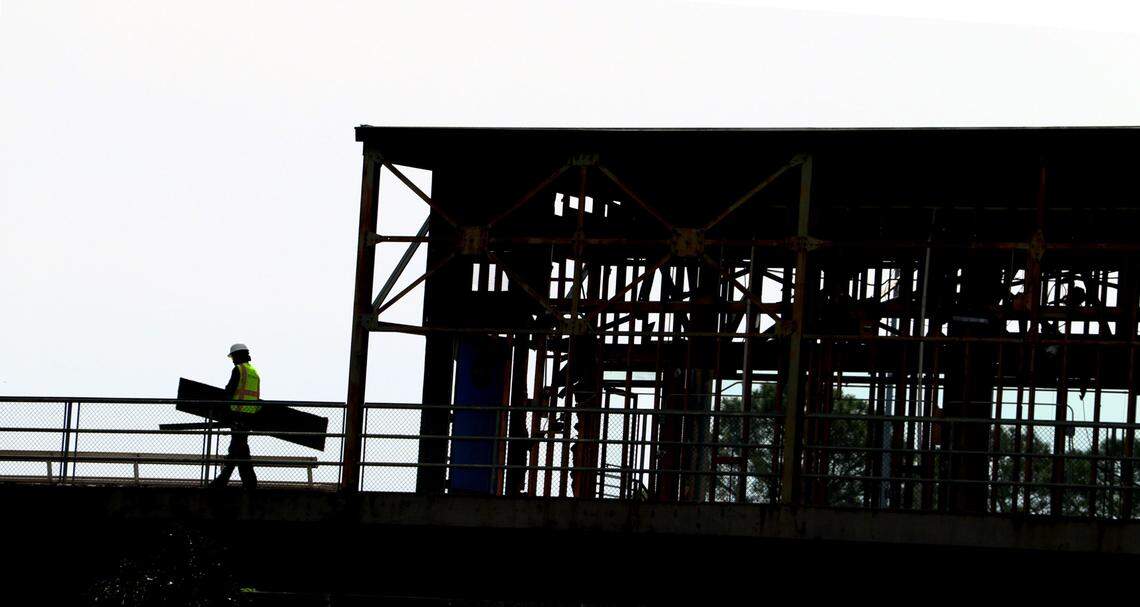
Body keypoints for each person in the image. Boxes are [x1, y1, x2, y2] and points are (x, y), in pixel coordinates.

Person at [211, 343, 261, 489]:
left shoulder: (238, 370)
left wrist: (226, 413)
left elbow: (230, 391)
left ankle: (223, 483)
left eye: (233, 357)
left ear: (238, 356)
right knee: (239, 450)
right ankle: (247, 483)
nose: (233, 360)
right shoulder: (254, 372)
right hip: (249, 416)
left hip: (238, 415)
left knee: (237, 451)